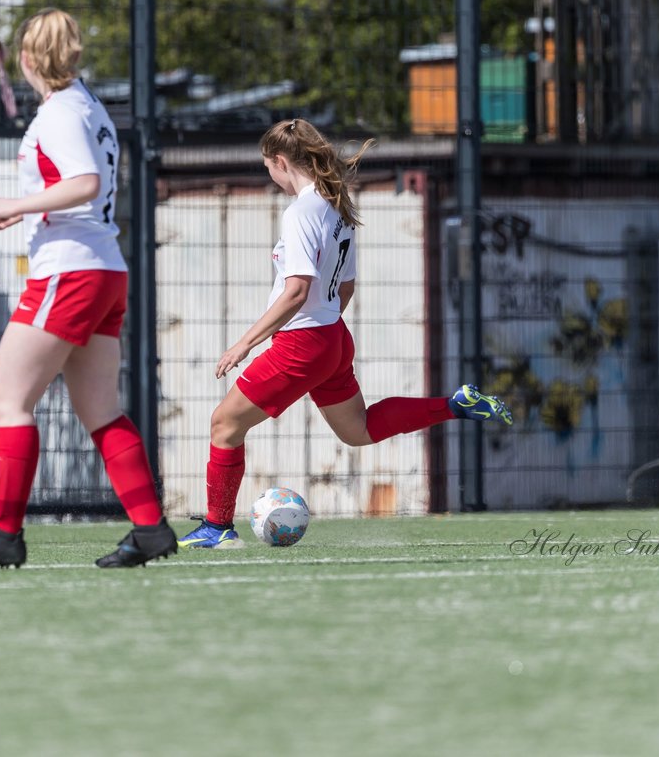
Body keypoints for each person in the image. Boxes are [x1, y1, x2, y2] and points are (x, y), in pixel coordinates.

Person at [176, 118, 513, 549]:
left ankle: (218, 528)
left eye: (269, 169)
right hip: (331, 337)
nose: (271, 178)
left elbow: (296, 290)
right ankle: (456, 405)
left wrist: (244, 343)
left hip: (304, 343)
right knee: (358, 430)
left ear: (281, 161)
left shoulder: (300, 211)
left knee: (224, 423)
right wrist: (324, 335)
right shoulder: (337, 203)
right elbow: (346, 286)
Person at [0, 8, 176, 569]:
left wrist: (14, 206)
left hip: (68, 269)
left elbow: (84, 183)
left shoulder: (61, 114)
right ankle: (149, 529)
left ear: (26, 59)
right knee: (101, 410)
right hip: (103, 268)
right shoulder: (89, 108)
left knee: (8, 398)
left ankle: (4, 533)